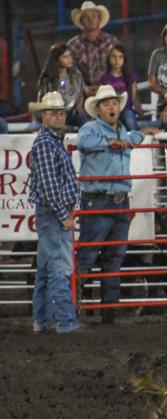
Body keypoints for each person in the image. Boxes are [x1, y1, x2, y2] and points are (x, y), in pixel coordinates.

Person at [75, 85, 150, 323]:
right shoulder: (90, 129)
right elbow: (83, 142)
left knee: (114, 258)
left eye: (114, 103)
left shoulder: (124, 131)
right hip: (99, 199)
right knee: (88, 256)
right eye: (107, 104)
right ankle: (70, 309)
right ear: (98, 109)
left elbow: (138, 136)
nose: (112, 107)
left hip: (117, 202)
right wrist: (113, 143)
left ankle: (109, 312)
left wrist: (127, 139)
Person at [28, 92, 81, 334]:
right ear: (43, 116)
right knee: (59, 268)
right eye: (54, 112)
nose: (59, 116)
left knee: (46, 268)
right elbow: (50, 187)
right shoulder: (47, 144)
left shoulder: (49, 142)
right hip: (54, 214)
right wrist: (63, 215)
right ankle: (66, 322)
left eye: (61, 112)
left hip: (49, 214)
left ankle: (43, 320)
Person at [67, 1, 119, 97]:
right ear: (81, 21)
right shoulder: (73, 45)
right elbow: (69, 74)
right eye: (86, 17)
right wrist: (84, 88)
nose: (91, 19)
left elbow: (120, 70)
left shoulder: (111, 42)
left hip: (110, 93)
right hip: (82, 96)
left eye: (94, 16)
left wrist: (104, 87)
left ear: (99, 19)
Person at [37, 43, 87, 129]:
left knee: (86, 124)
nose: (69, 59)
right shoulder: (48, 79)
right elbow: (42, 100)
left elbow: (81, 93)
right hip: (54, 113)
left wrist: (79, 106)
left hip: (72, 112)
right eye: (65, 57)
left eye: (70, 56)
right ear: (57, 59)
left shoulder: (76, 74)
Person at [98, 44, 141, 130]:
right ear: (109, 59)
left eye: (120, 57)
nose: (117, 60)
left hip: (126, 109)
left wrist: (139, 110)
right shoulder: (104, 78)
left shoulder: (130, 77)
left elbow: (134, 97)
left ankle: (136, 141)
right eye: (114, 57)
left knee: (129, 120)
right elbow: (101, 97)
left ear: (124, 60)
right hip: (110, 110)